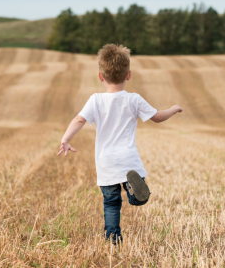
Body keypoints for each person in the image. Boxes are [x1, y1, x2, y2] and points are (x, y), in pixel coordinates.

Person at [57, 44, 183, 243]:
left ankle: (113, 238)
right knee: (136, 195)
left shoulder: (96, 100)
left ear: (100, 76)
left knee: (111, 203)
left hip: (106, 162)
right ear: (129, 75)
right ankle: (135, 195)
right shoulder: (133, 99)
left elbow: (79, 120)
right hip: (128, 160)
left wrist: (65, 139)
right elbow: (157, 117)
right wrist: (173, 109)